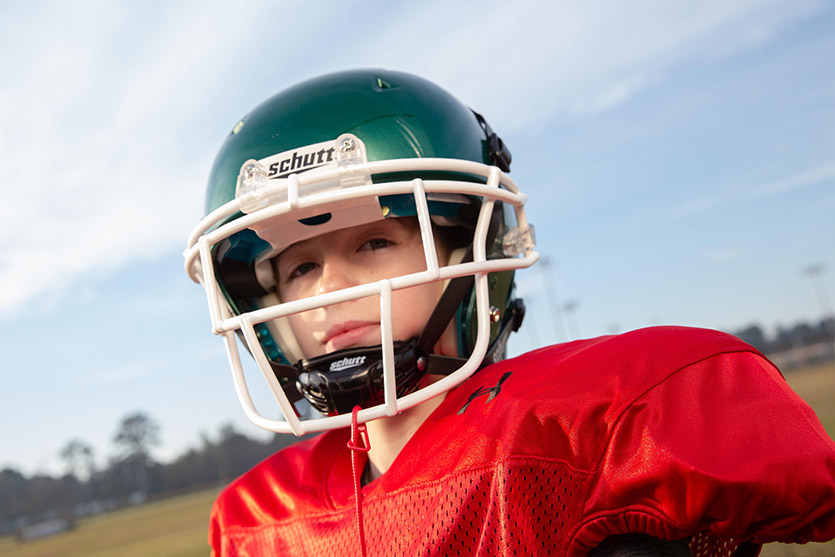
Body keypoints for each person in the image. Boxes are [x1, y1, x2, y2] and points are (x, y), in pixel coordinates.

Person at [184, 69, 835, 556]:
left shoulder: (595, 430)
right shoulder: (256, 520)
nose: (332, 284)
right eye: (300, 267)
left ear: (477, 249)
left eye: (374, 241)